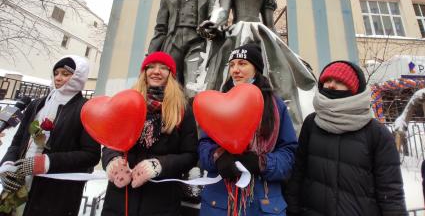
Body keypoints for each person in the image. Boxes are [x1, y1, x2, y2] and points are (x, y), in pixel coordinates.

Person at [198, 0, 315, 131]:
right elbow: (223, 11)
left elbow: (270, 26)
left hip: (261, 35)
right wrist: (214, 23)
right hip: (236, 33)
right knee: (226, 73)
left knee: (271, 75)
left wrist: (291, 55)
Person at [285, 61, 407, 216]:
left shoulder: (377, 134)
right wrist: (293, 210)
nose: (331, 85)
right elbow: (298, 174)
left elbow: (391, 194)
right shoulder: (312, 123)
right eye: (327, 81)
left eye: (339, 81)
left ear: (354, 89)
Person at [198, 44, 298, 216]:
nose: (235, 70)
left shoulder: (276, 106)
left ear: (256, 69)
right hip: (220, 203)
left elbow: (289, 153)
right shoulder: (217, 103)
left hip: (263, 203)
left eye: (242, 64)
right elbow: (203, 145)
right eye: (232, 65)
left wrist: (262, 163)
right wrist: (218, 159)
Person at [0, 55, 101, 216]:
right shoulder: (37, 104)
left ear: (78, 76)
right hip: (17, 188)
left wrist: (46, 163)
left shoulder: (86, 110)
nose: (58, 78)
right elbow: (17, 141)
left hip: (54, 195)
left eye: (65, 74)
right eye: (56, 73)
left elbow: (91, 155)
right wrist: (7, 166)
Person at [101, 51, 198, 216]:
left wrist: (159, 165)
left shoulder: (182, 110)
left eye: (163, 68)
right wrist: (112, 160)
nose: (156, 71)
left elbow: (190, 156)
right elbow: (110, 144)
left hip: (161, 202)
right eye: (151, 67)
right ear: (144, 73)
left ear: (171, 75)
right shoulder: (127, 103)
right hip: (120, 199)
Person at [148, 0, 219, 93]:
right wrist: (152, 53)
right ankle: (170, 112)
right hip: (173, 40)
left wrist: (212, 27)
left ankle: (191, 112)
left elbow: (215, 19)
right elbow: (161, 27)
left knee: (192, 81)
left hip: (197, 41)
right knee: (170, 80)